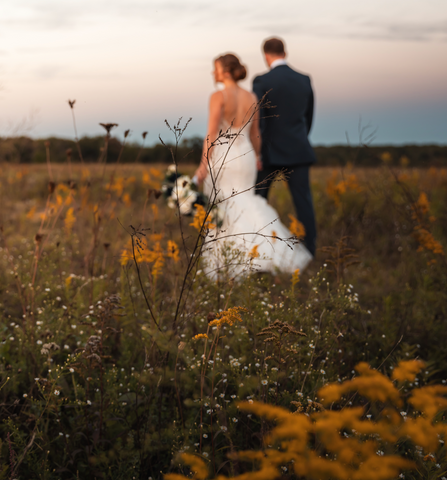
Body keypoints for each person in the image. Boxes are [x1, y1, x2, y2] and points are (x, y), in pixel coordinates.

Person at [194, 53, 312, 278]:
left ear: (225, 72)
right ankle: (266, 252)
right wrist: (257, 157)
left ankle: (232, 260)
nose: (213, 73)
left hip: (224, 155)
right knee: (246, 201)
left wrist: (203, 164)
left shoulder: (217, 96)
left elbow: (211, 133)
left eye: (215, 68)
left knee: (225, 205)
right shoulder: (252, 97)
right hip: (246, 154)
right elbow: (256, 134)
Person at [253, 37, 317, 257]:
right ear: (285, 52)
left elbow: (259, 121)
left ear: (266, 55)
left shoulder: (261, 81)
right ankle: (310, 250)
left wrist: (258, 152)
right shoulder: (304, 79)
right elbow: (308, 118)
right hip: (299, 150)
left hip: (269, 153)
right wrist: (298, 139)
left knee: (258, 201)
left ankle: (256, 248)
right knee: (303, 203)